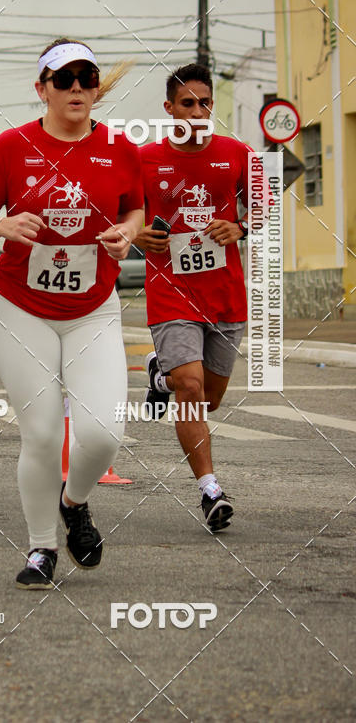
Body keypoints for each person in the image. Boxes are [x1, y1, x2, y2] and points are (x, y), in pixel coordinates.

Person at [0, 38, 143, 589]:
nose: (78, 88)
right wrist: (2, 226)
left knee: (104, 432)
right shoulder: (13, 146)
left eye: (87, 78)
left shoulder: (119, 149)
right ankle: (41, 547)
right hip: (20, 308)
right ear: (42, 89)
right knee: (39, 434)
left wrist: (127, 233)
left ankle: (75, 501)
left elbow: (136, 206)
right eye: (65, 79)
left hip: (92, 311)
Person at [135, 63, 253, 532]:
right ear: (169, 109)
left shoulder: (237, 153)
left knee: (209, 399)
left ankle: (157, 379)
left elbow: (269, 208)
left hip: (224, 295)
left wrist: (241, 226)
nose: (199, 111)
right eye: (188, 103)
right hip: (171, 293)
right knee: (191, 386)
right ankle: (210, 490)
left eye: (206, 103)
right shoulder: (143, 159)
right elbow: (122, 215)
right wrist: (139, 235)